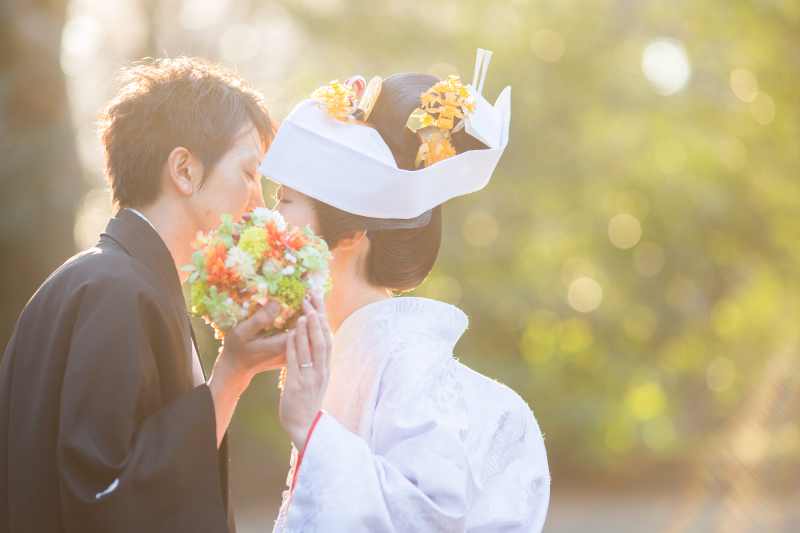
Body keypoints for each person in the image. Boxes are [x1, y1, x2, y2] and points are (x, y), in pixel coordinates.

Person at [0, 57, 330, 533]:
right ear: (184, 170)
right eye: (250, 173)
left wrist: (236, 372)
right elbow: (107, 499)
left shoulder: (112, 279)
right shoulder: (113, 290)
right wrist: (231, 375)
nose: (260, 202)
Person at [261, 50, 550, 532]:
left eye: (285, 202)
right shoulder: (355, 349)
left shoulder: (405, 356)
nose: (268, 222)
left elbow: (429, 514)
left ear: (351, 233)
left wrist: (310, 426)